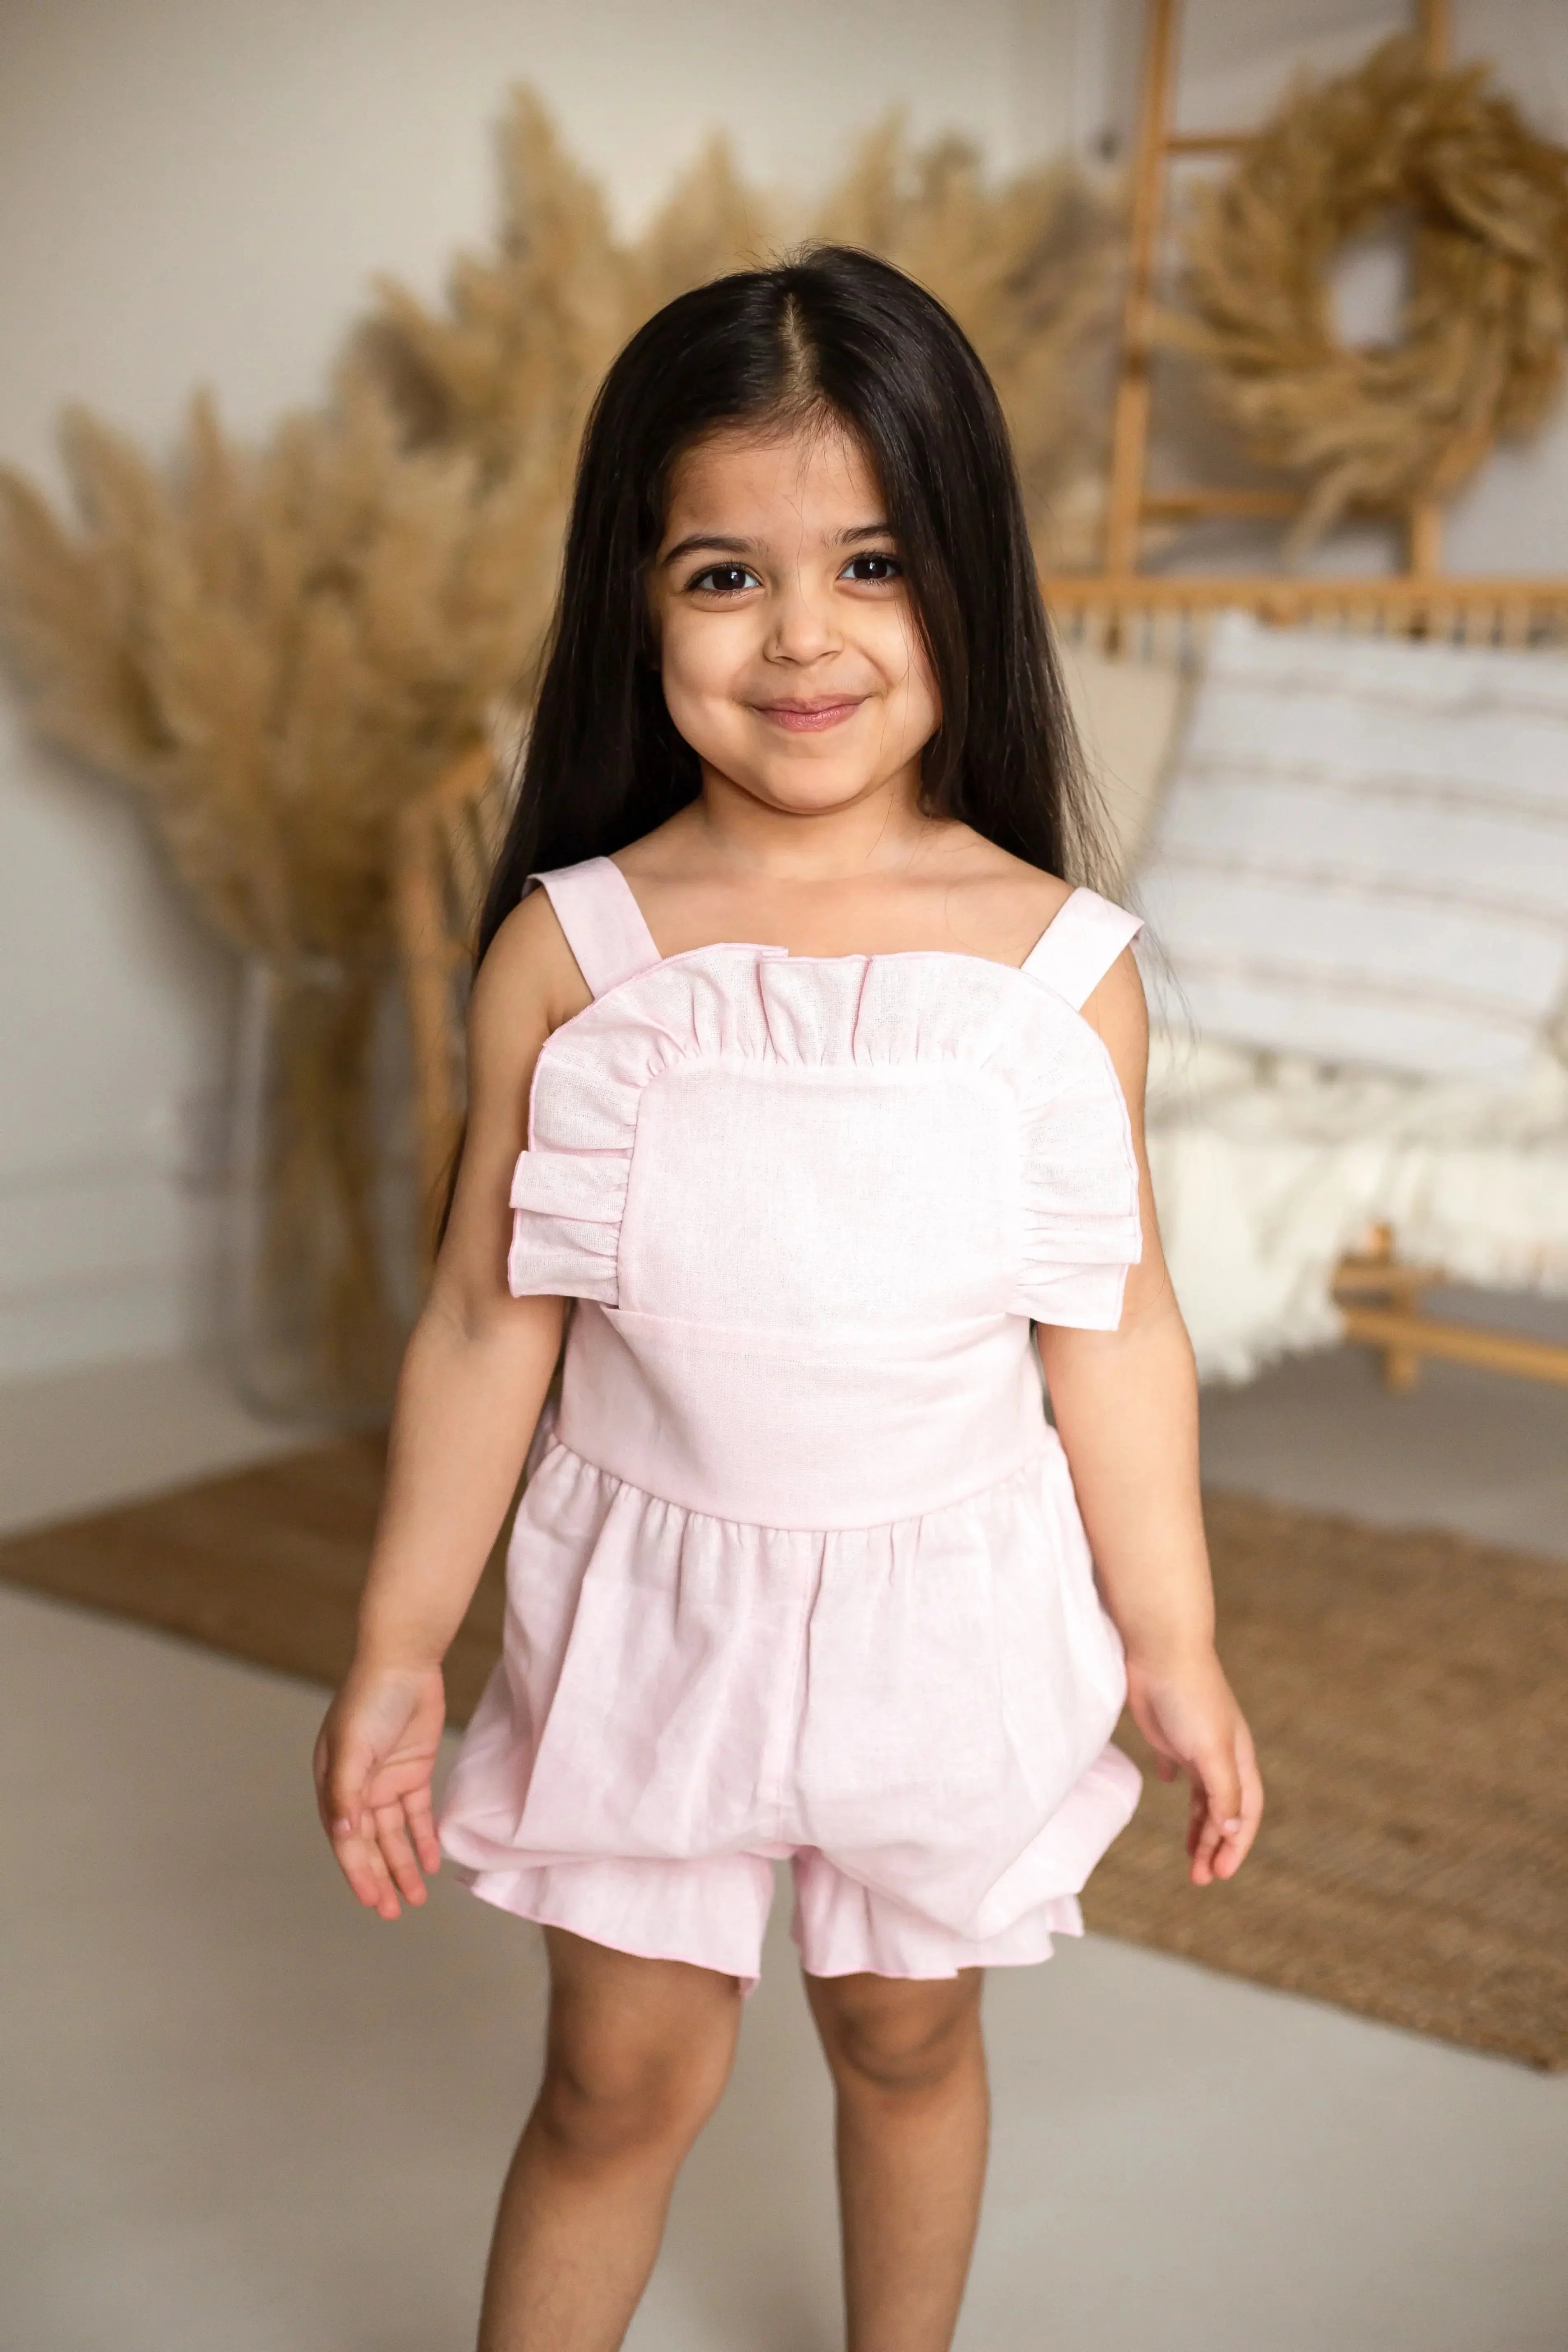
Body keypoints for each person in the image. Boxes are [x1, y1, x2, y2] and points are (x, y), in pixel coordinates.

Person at [313, 245, 1262, 2352]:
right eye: (724, 575)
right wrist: (397, 1646)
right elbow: (489, 1325)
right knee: (614, 2084)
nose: (803, 636)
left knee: (905, 2042)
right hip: (656, 1621)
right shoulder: (580, 953)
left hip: (949, 1617)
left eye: (871, 563)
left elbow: (1113, 1328)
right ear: (635, 601)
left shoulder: (1057, 971)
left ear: (968, 587)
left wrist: (1173, 1643)